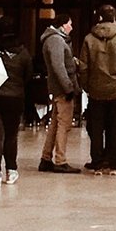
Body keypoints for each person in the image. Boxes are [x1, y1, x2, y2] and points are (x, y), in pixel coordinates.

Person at [80, 5, 116, 173]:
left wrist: (87, 86)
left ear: (99, 18)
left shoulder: (89, 39)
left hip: (96, 91)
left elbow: (83, 67)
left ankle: (97, 160)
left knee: (96, 128)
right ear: (114, 18)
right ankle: (113, 162)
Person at [0, 30, 33, 183]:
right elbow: (28, 76)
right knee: (11, 136)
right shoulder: (23, 54)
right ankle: (11, 170)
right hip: (15, 99)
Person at [39, 12, 80, 173]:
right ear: (63, 25)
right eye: (70, 23)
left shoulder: (53, 39)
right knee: (64, 124)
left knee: (56, 123)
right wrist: (68, 87)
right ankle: (60, 160)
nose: (72, 27)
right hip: (62, 89)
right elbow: (58, 66)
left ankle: (46, 157)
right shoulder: (55, 40)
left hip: (58, 88)